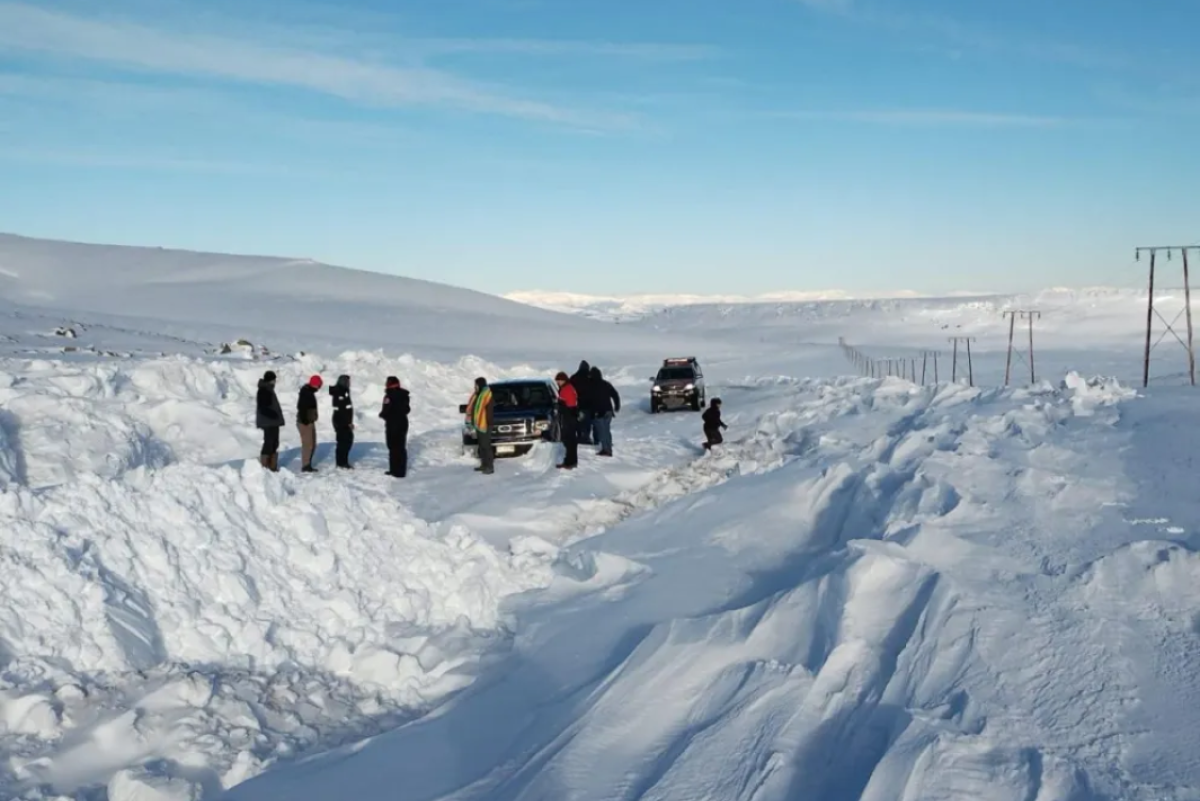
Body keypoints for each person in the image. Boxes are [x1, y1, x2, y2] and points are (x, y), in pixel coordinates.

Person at [379, 375, 411, 477]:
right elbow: (407, 409)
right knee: (401, 447)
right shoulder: (404, 394)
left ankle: (394, 470)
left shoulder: (389, 396)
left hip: (392, 423)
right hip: (403, 422)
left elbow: (386, 409)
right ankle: (400, 471)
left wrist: (383, 415)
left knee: (392, 447)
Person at [588, 366, 621, 457]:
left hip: (598, 412)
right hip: (608, 411)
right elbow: (615, 394)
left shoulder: (591, 386)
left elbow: (588, 400)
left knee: (602, 432)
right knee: (606, 430)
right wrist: (617, 405)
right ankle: (608, 448)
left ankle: (606, 450)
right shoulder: (606, 384)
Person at [256, 370, 284, 471]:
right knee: (269, 442)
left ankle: (272, 466)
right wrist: (273, 414)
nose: (275, 382)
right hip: (268, 422)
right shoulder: (264, 390)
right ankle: (265, 467)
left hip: (272, 421)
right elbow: (262, 408)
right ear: (270, 380)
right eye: (274, 380)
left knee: (274, 442)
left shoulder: (269, 389)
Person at [468, 376, 494, 474]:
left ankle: (490, 467)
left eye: (476, 385)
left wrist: (487, 423)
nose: (475, 387)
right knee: (482, 446)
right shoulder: (478, 395)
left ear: (480, 385)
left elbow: (489, 411)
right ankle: (484, 465)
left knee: (486, 446)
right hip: (479, 424)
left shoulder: (487, 395)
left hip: (485, 424)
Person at [554, 371, 579, 469]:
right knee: (570, 441)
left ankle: (570, 462)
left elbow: (568, 405)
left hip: (569, 418)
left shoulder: (566, 389)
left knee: (570, 441)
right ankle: (570, 461)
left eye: (559, 381)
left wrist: (559, 405)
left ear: (563, 380)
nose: (558, 383)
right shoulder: (568, 388)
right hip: (570, 417)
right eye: (557, 381)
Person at [297, 375, 322, 472]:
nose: (319, 388)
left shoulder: (309, 392)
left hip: (309, 421)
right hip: (305, 422)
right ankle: (305, 465)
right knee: (308, 444)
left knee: (313, 444)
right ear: (315, 384)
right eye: (319, 385)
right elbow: (301, 407)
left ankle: (308, 463)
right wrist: (305, 420)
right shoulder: (306, 392)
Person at [329, 374, 354, 469]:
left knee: (347, 440)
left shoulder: (344, 391)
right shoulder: (339, 392)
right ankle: (341, 463)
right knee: (343, 441)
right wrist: (348, 423)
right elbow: (342, 409)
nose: (349, 383)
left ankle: (343, 461)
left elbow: (347, 408)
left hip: (344, 420)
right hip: (340, 420)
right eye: (348, 381)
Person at [571, 360, 594, 445]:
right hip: (588, 405)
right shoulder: (590, 378)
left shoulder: (574, 377)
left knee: (577, 422)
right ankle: (586, 437)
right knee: (587, 422)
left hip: (576, 405)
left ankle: (579, 436)